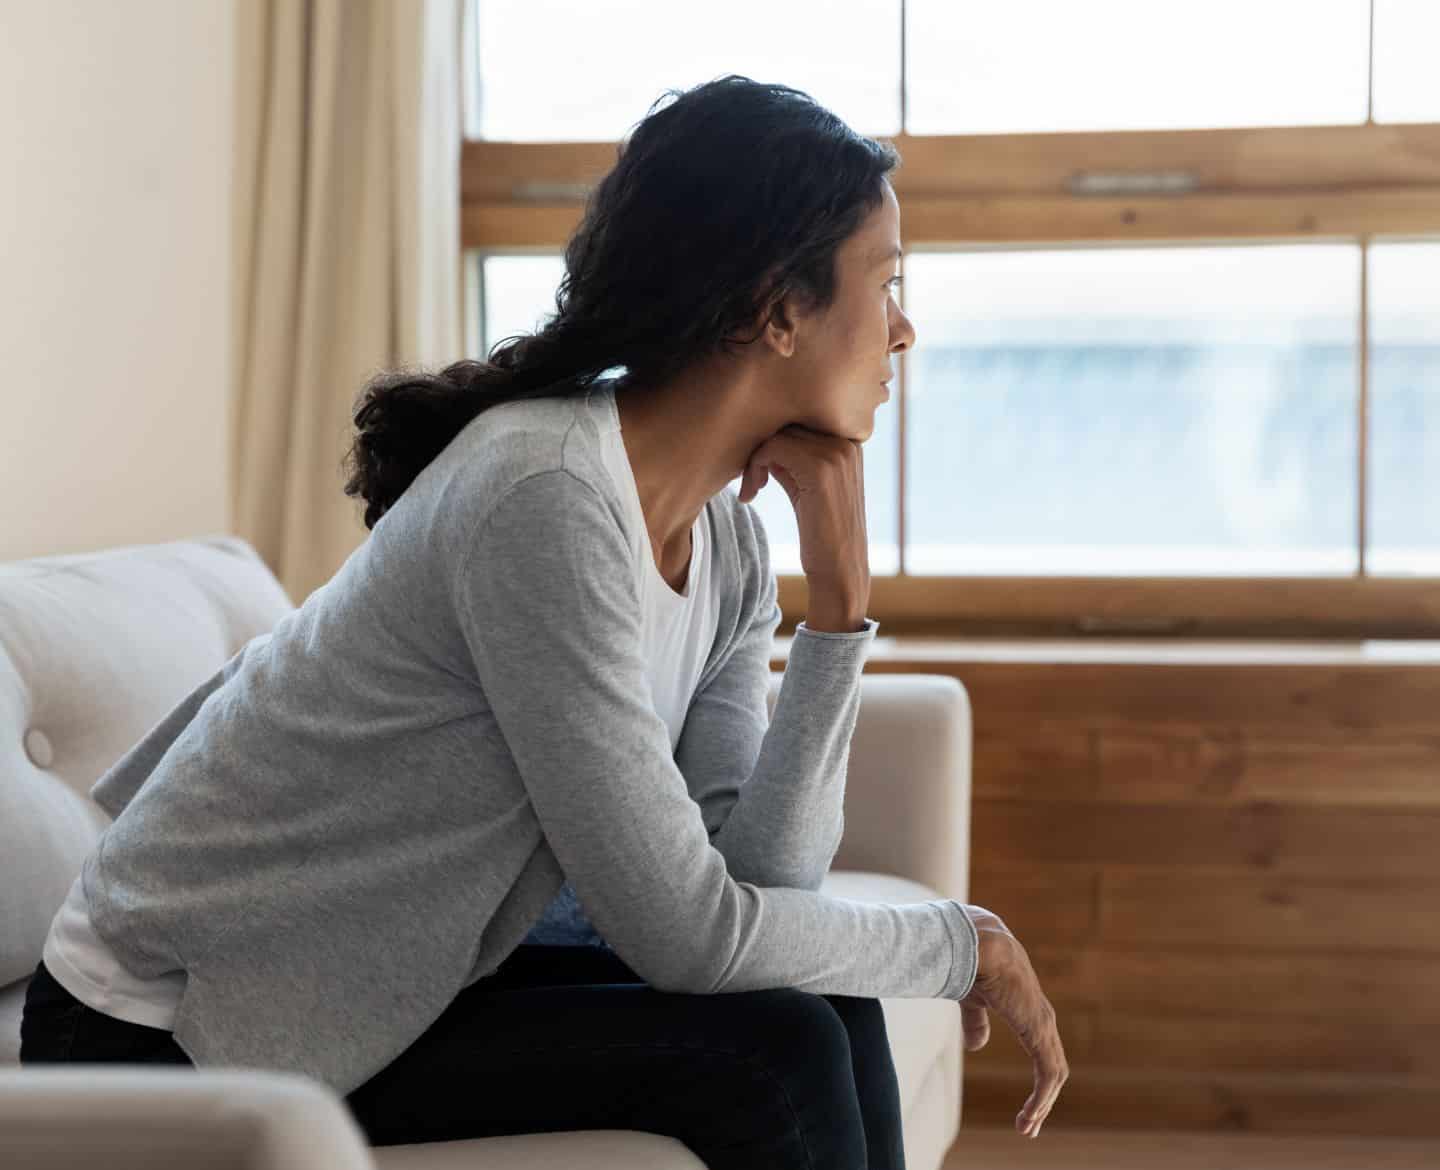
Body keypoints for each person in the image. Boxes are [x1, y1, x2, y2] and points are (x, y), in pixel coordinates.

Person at [20, 75, 1066, 1167]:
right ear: (777, 308)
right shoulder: (548, 498)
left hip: (386, 973)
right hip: (168, 1029)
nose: (904, 331)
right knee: (776, 1053)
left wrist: (840, 613)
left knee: (828, 1007)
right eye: (886, 284)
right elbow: (687, 932)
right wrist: (960, 946)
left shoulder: (727, 540)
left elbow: (765, 889)